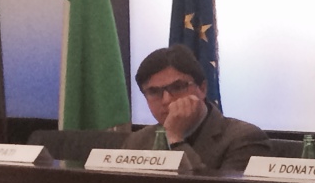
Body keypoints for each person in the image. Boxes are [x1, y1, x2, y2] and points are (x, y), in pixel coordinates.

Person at [109, 46, 269, 171]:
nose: (166, 100)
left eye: (178, 87)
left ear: (202, 89)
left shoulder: (244, 139)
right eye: (154, 92)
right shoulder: (137, 141)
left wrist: (175, 139)